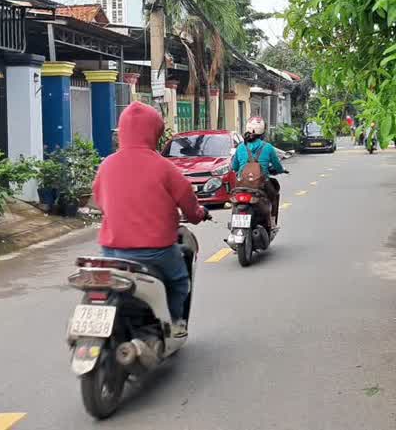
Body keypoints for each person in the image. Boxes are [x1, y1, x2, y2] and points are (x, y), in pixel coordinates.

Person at [91, 102, 208, 337]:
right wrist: (199, 214)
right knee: (179, 282)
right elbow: (189, 203)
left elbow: (99, 200)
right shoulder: (164, 167)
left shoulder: (107, 165)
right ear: (155, 132)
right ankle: (173, 325)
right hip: (155, 251)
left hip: (111, 251)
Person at [231, 116, 286, 225]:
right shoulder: (268, 147)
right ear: (263, 132)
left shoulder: (241, 147)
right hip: (261, 184)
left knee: (234, 200)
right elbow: (277, 166)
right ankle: (272, 221)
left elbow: (235, 167)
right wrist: (281, 170)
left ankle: (234, 222)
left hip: (242, 184)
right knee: (274, 196)